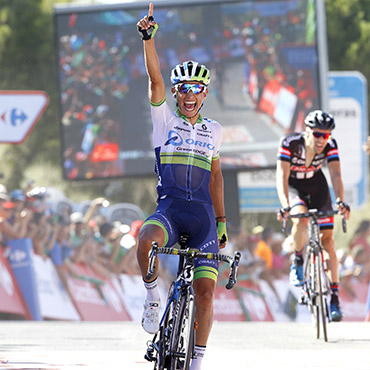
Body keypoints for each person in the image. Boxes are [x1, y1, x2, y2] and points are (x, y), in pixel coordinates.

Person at [136, 4, 227, 369]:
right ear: (176, 93)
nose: (190, 94)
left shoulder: (215, 130)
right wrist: (148, 39)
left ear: (205, 93)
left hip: (203, 218)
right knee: (145, 241)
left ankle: (197, 362)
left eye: (197, 89)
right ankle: (152, 296)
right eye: (184, 88)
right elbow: (155, 79)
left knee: (205, 296)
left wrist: (221, 222)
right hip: (171, 210)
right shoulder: (165, 120)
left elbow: (216, 177)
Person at [276, 110, 350, 322]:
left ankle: (334, 298)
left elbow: (335, 174)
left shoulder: (330, 145)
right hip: (294, 188)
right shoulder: (290, 143)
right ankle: (298, 261)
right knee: (301, 218)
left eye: (325, 135)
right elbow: (281, 177)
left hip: (318, 189)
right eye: (317, 134)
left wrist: (340, 201)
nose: (321, 140)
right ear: (307, 131)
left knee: (328, 242)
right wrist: (285, 206)